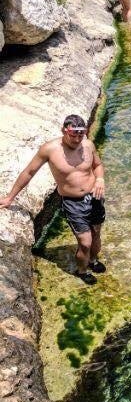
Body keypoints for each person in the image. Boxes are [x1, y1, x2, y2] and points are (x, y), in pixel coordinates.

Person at [0, 115, 106, 285]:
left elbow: (98, 166)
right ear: (64, 130)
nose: (78, 139)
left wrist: (100, 179)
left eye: (81, 135)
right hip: (73, 202)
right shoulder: (49, 149)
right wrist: (10, 197)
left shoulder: (88, 145)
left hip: (95, 197)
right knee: (85, 242)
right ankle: (82, 271)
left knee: (96, 234)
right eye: (73, 135)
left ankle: (93, 261)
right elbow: (29, 172)